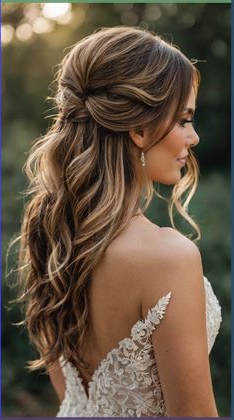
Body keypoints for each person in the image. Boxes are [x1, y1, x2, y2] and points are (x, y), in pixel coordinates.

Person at [15, 26, 222, 417]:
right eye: (183, 120)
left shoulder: (50, 235)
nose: (193, 137)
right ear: (140, 129)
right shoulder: (169, 257)